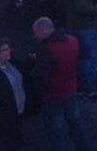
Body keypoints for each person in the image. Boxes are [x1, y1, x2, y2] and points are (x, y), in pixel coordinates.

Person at [30, 17, 89, 151]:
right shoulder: (73, 40)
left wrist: (40, 94)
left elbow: (40, 77)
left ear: (43, 31)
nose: (35, 36)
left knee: (55, 131)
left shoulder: (46, 50)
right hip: (71, 90)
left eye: (36, 32)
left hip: (53, 96)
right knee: (75, 124)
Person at [0, 38, 32, 151]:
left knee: (17, 137)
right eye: (5, 50)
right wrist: (1, 117)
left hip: (19, 109)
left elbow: (22, 71)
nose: (9, 51)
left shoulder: (11, 61)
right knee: (8, 142)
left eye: (9, 48)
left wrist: (30, 60)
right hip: (6, 116)